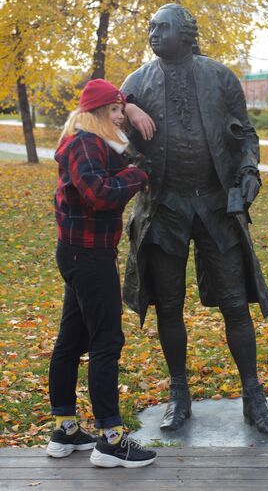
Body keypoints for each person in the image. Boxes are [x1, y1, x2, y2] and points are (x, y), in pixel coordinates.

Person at [121, 4, 268, 436]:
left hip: (215, 206)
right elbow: (114, 132)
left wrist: (249, 170)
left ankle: (253, 397)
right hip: (164, 209)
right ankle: (179, 395)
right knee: (169, 305)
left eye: (162, 27)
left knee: (235, 303)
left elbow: (245, 133)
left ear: (186, 33)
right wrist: (127, 122)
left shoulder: (219, 77)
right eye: (151, 27)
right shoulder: (136, 83)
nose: (153, 34)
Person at [47, 78, 157, 468]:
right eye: (115, 110)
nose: (121, 117)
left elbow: (101, 181)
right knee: (106, 342)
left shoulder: (92, 141)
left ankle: (66, 430)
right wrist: (138, 176)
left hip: (80, 254)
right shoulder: (85, 144)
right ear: (96, 113)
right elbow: (98, 193)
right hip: (89, 257)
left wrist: (132, 107)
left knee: (72, 339)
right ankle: (110, 441)